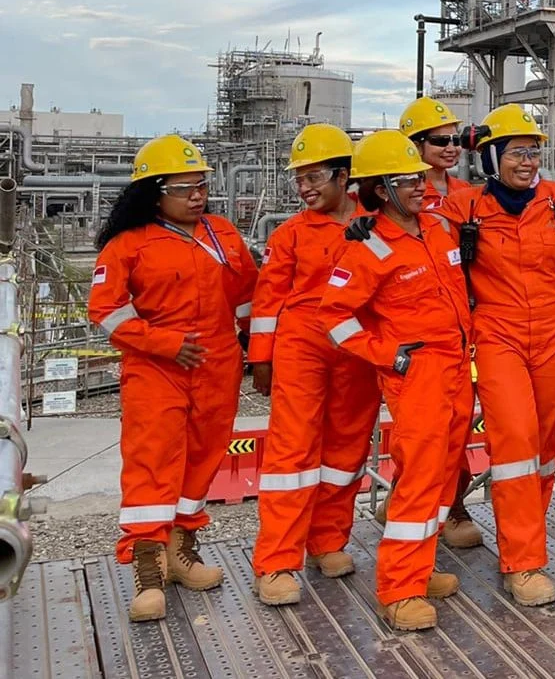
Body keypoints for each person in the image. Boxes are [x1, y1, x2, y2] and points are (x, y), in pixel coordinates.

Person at [435, 104, 555, 606]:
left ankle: (525, 538)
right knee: (515, 442)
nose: (528, 161)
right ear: (492, 156)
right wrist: (359, 218)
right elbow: (408, 224)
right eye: (518, 152)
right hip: (499, 335)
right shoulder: (465, 209)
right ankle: (524, 561)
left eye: (534, 152)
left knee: (540, 450)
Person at [88, 135, 258, 622]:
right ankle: (147, 566)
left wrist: (257, 352)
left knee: (204, 458)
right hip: (156, 371)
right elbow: (107, 311)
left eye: (201, 185)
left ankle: (182, 548)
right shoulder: (129, 245)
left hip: (217, 366)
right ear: (154, 193)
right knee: (152, 461)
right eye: (185, 188)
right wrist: (164, 343)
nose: (197, 195)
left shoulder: (222, 234)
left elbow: (247, 297)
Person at [318, 130, 473, 631]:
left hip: (454, 368)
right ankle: (400, 589)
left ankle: (420, 569)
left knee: (442, 475)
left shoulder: (439, 228)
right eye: (407, 181)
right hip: (419, 374)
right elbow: (335, 318)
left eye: (421, 178)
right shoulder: (369, 248)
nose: (420, 187)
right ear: (381, 189)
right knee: (422, 477)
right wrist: (389, 356)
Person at [249, 125, 381, 606]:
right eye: (299, 179)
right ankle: (278, 561)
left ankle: (328, 540)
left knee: (346, 451)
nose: (305, 188)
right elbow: (267, 303)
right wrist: (261, 362)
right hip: (302, 346)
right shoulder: (290, 236)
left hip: (357, 350)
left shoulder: (375, 225)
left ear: (344, 177)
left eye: (314, 177)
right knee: (292, 454)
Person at [394, 94, 480, 548]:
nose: (451, 148)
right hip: (416, 329)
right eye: (439, 141)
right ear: (414, 146)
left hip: (466, 319)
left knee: (460, 420)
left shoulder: (468, 196)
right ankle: (417, 505)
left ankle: (451, 502)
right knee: (421, 428)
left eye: (455, 141)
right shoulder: (396, 197)